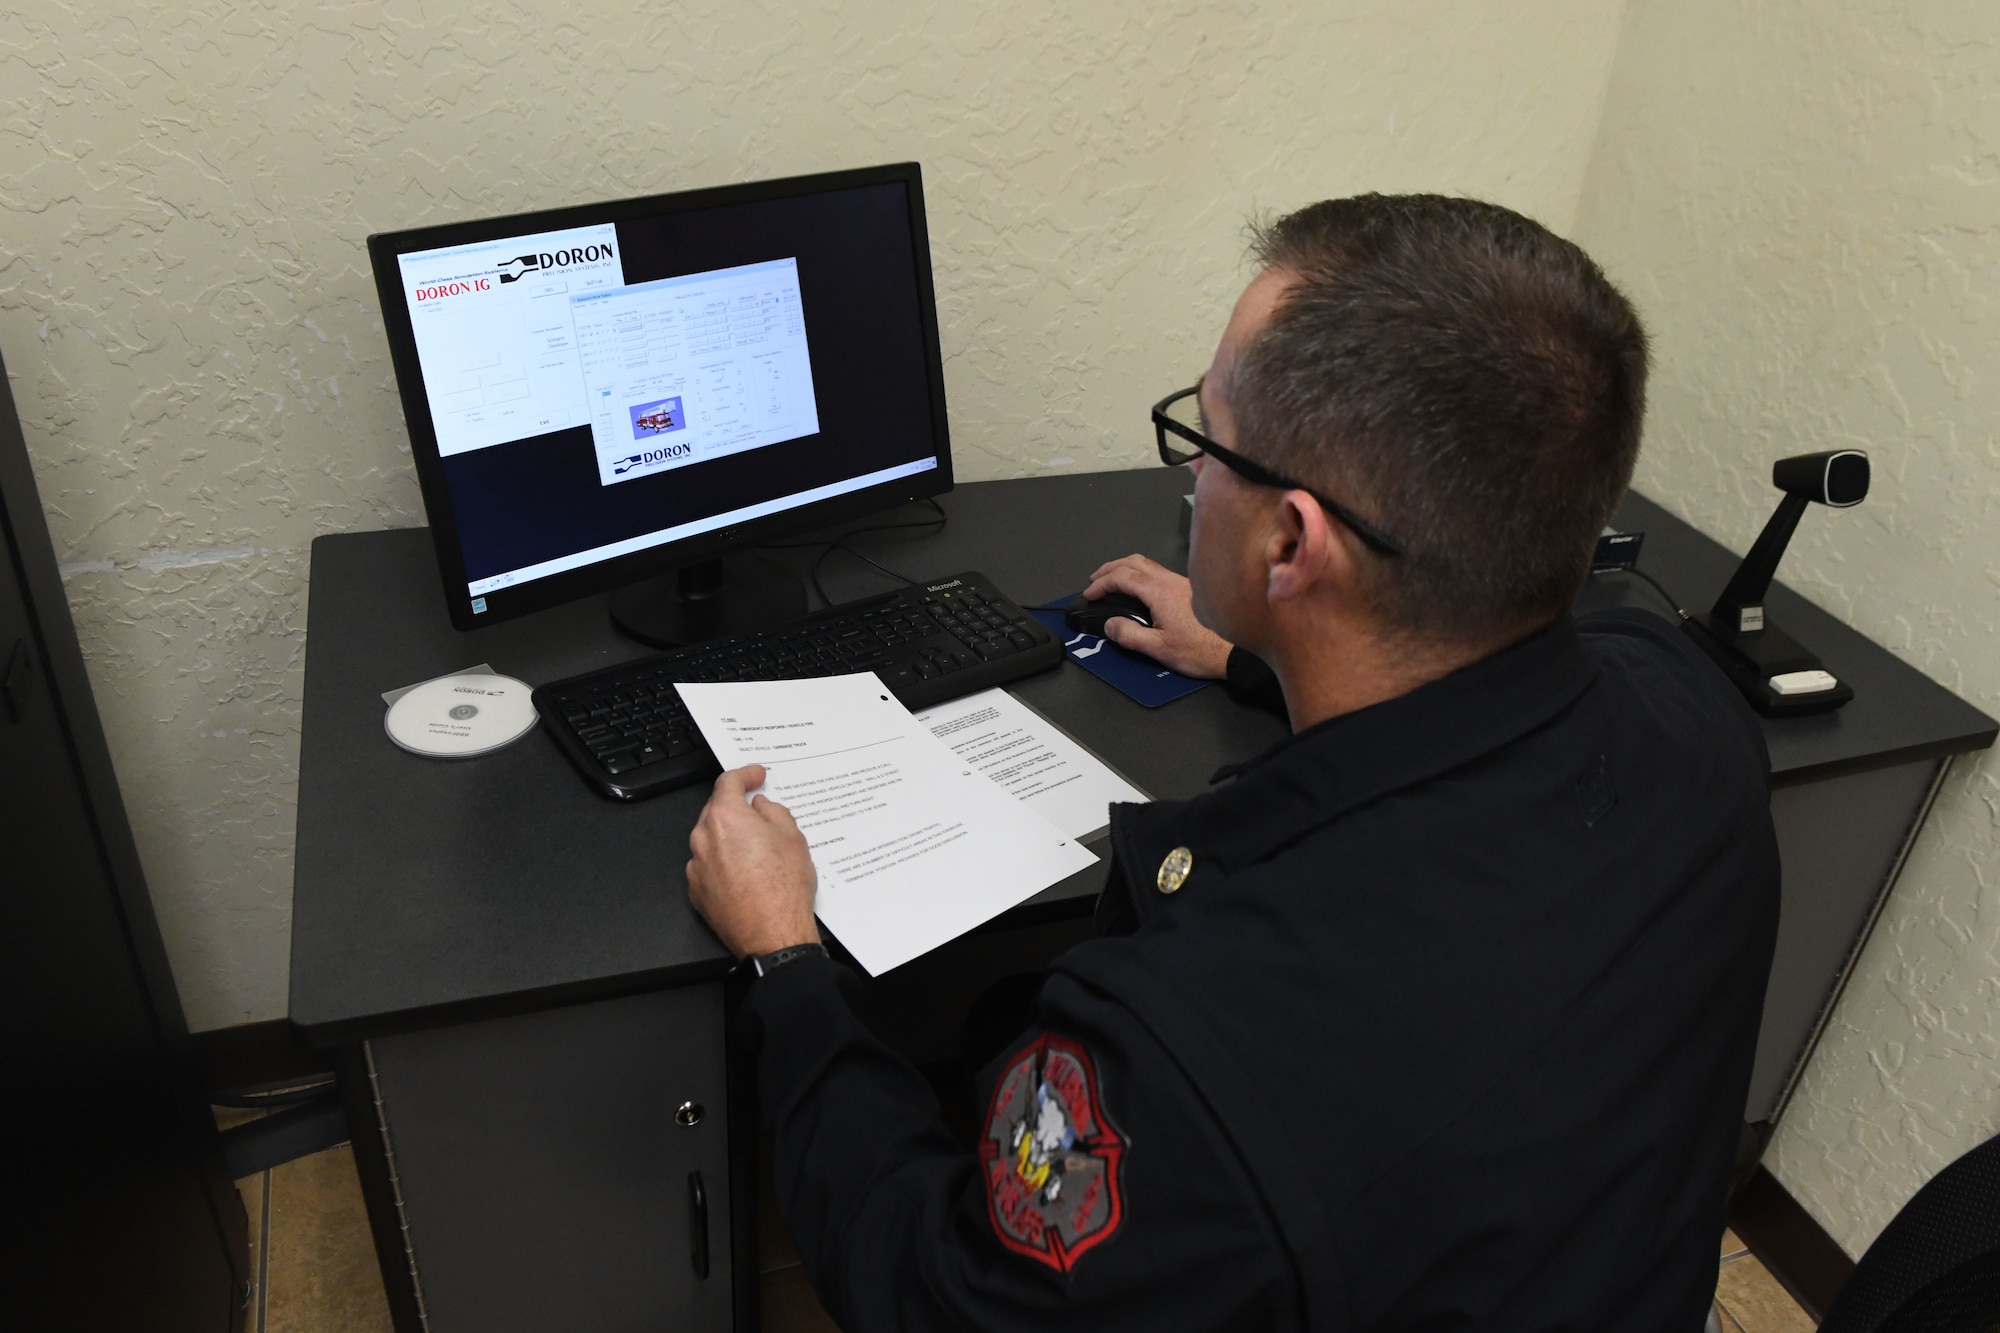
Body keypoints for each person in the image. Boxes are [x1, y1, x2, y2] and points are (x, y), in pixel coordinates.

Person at [685, 194, 1780, 1331]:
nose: (1194, 478)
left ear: (1290, 542)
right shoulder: (1686, 703)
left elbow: (937, 1298)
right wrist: (1263, 647)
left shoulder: (1186, 1057)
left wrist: (784, 962)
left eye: (1204, 442)